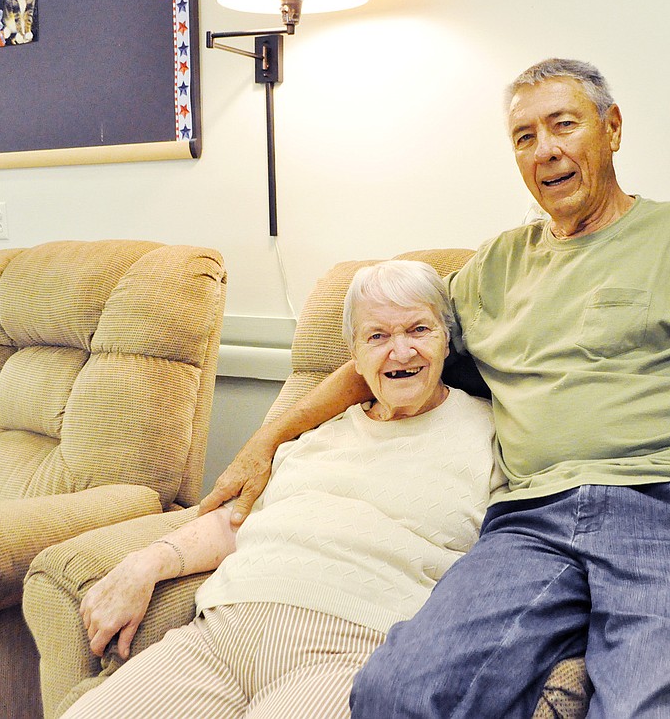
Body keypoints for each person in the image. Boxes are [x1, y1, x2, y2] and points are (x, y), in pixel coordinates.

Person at [201, 58, 670, 718]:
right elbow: (391, 351)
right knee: (397, 695)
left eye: (563, 125)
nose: (545, 150)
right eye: (524, 137)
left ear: (612, 129)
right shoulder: (496, 266)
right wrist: (266, 439)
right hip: (534, 522)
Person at [64, 260, 503, 719]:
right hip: (218, 635)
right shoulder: (319, 431)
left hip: (351, 650)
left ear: (446, 338)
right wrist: (145, 562)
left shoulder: (489, 433)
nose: (401, 351)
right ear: (353, 353)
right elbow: (239, 518)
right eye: (377, 336)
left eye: (419, 329)